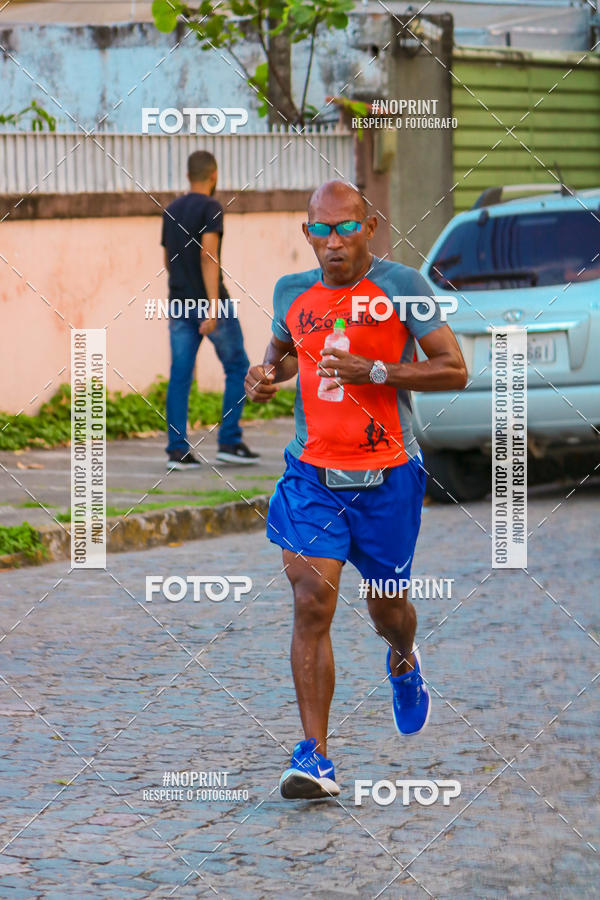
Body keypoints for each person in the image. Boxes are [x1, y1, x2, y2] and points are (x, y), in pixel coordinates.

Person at [244, 180, 467, 800]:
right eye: (322, 229)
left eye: (347, 227)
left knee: (386, 609)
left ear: (371, 227)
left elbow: (454, 368)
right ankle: (314, 756)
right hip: (312, 474)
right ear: (307, 233)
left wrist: (377, 370)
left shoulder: (403, 288)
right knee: (312, 599)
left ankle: (403, 658)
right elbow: (284, 355)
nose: (334, 241)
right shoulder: (291, 292)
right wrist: (264, 376)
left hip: (388, 476)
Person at [161, 150, 259, 469]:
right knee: (238, 366)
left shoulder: (171, 210)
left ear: (188, 175)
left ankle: (177, 451)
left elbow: (168, 260)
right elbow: (208, 255)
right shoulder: (211, 207)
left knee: (180, 376)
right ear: (214, 175)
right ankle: (229, 441)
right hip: (210, 302)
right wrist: (213, 307)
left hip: (179, 303)